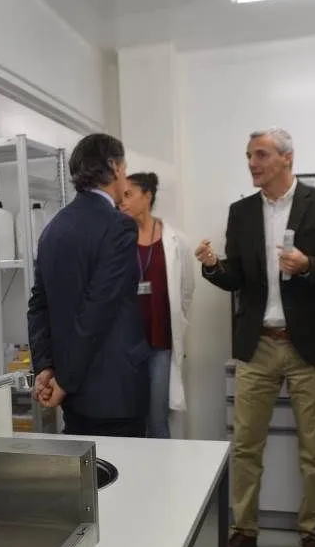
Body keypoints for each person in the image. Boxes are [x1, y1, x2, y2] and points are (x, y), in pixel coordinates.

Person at [195, 127, 315, 547]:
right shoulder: (241, 212)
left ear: (287, 158)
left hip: (311, 348)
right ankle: (243, 531)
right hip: (258, 344)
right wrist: (213, 266)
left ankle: (312, 536)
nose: (252, 163)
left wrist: (307, 265)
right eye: (249, 155)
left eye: (261, 154)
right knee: (245, 447)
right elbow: (237, 279)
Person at [27, 133, 150, 437]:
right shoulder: (119, 226)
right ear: (114, 167)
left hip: (74, 396)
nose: (125, 177)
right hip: (114, 393)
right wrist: (64, 380)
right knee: (123, 466)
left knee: (86, 466)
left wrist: (46, 367)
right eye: (124, 168)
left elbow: (38, 305)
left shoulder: (53, 229)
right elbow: (97, 310)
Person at [117, 172, 195, 438]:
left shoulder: (176, 240)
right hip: (127, 344)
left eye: (128, 195)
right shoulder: (119, 239)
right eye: (121, 196)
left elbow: (186, 290)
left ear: (147, 196)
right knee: (130, 418)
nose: (122, 202)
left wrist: (178, 323)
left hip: (160, 341)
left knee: (158, 418)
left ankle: (166, 465)